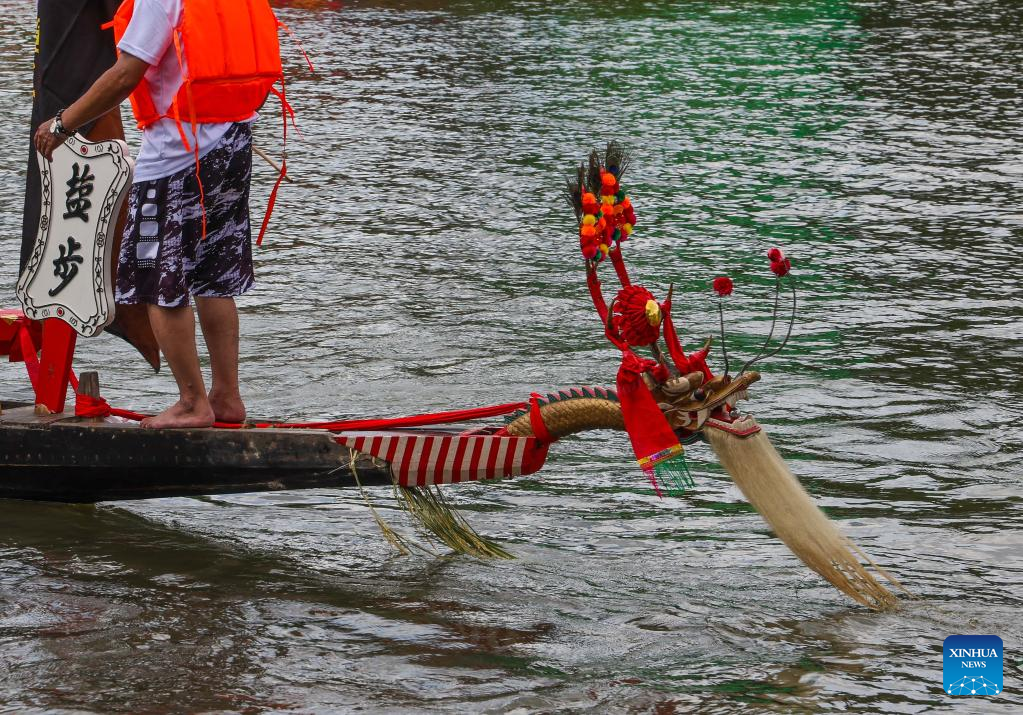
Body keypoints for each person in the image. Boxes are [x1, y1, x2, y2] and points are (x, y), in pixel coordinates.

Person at [34, 0, 268, 429]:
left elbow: (126, 74)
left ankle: (192, 403)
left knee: (158, 279)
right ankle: (226, 397)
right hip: (233, 141)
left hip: (177, 155)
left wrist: (63, 124)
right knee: (214, 278)